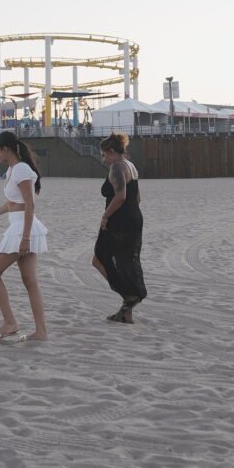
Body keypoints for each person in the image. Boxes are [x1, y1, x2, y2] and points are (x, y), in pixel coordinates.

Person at [0, 131, 48, 342]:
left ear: (6, 149)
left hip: (22, 230)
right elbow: (13, 203)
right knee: (30, 281)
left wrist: (25, 238)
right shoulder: (13, 170)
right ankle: (41, 332)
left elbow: (29, 204)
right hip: (22, 228)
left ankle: (10, 323)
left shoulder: (21, 169)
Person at [93, 132, 147, 324]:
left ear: (112, 152)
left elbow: (121, 196)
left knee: (99, 259)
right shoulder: (131, 166)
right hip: (133, 218)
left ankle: (129, 297)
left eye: (104, 154)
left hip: (118, 220)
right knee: (126, 262)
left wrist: (105, 216)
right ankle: (127, 312)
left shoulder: (117, 167)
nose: (104, 158)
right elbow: (138, 198)